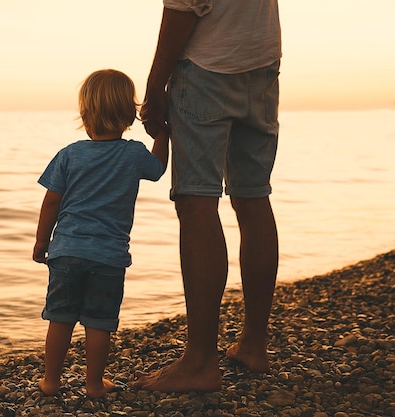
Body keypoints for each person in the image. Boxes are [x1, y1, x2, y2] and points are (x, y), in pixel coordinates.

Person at [133, 0, 282, 392]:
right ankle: (253, 344)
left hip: (207, 68)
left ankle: (200, 361)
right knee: (253, 199)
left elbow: (183, 9)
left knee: (197, 204)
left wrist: (155, 86)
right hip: (262, 63)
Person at [33, 69, 169, 398]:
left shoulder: (69, 154)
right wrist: (163, 135)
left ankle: (51, 381)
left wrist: (41, 242)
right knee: (98, 322)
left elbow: (52, 201)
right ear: (128, 115)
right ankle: (93, 384)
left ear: (85, 113)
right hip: (108, 257)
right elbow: (158, 169)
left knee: (60, 318)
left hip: (66, 252)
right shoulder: (134, 154)